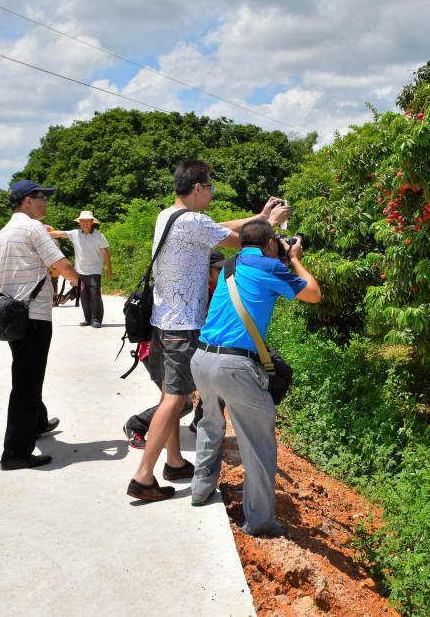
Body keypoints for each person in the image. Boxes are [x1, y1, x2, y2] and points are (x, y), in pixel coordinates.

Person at [125, 159, 290, 501]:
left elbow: (220, 226)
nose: (212, 192)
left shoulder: (169, 216)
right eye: (211, 187)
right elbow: (241, 242)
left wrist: (259, 217)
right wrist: (269, 226)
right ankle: (143, 476)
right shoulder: (193, 223)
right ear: (198, 188)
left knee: (170, 395)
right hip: (182, 327)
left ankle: (173, 461)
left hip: (162, 321)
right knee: (176, 399)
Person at [189, 219, 321, 536]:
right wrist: (296, 259)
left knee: (210, 422)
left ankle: (200, 488)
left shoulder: (230, 265)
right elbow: (314, 294)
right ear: (271, 244)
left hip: (202, 358)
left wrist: (279, 252)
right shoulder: (272, 268)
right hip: (234, 367)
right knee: (259, 445)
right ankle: (260, 522)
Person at [0, 180, 82, 470]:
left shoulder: (3, 233)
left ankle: (38, 422)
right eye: (42, 197)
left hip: (12, 316)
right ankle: (16, 453)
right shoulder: (33, 228)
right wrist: (82, 284)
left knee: (27, 373)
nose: (46, 202)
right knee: (25, 383)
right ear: (27, 201)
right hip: (33, 316)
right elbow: (63, 265)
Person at [124, 249, 225, 449]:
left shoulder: (203, 289)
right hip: (156, 351)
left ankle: (199, 423)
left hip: (173, 348)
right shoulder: (200, 292)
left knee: (214, 384)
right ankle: (137, 424)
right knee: (182, 402)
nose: (222, 275)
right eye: (218, 270)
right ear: (204, 271)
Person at [49, 211, 112, 328]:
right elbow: (59, 233)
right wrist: (41, 233)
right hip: (80, 270)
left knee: (95, 293)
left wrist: (109, 270)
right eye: (82, 220)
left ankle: (96, 319)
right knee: (84, 294)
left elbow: (105, 253)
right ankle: (88, 318)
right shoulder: (75, 234)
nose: (85, 223)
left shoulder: (99, 236)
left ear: (92, 222)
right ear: (80, 222)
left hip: (95, 270)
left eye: (87, 220)